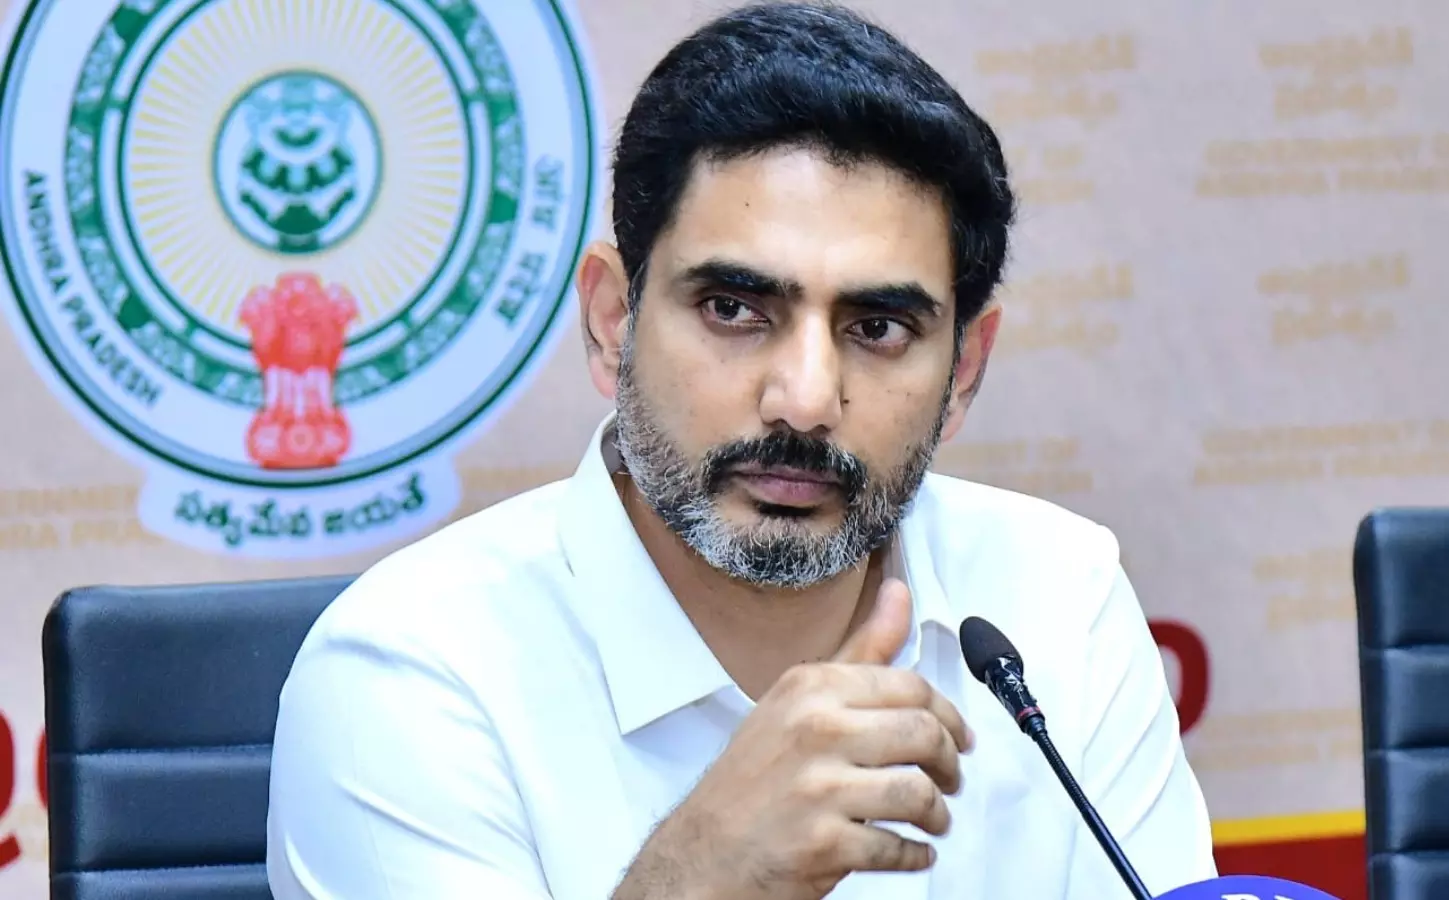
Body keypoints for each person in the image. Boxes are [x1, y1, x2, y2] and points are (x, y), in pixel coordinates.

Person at [264, 2, 1216, 897]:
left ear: (963, 371)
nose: (803, 401)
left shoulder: (1058, 601)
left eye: (878, 327)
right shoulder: (408, 673)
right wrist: (702, 873)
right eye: (733, 309)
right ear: (611, 320)